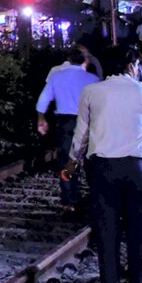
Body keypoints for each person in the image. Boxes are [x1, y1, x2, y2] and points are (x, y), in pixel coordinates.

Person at [63, 46, 142, 283]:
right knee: (141, 237)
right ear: (130, 65)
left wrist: (72, 163)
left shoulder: (92, 92)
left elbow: (81, 134)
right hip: (137, 169)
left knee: (107, 236)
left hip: (103, 170)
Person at [35, 48, 98, 212]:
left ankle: (69, 200)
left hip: (66, 122)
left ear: (69, 59)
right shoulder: (93, 79)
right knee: (92, 160)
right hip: (89, 122)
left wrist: (41, 118)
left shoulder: (57, 76)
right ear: (84, 61)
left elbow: (43, 99)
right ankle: (96, 195)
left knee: (67, 161)